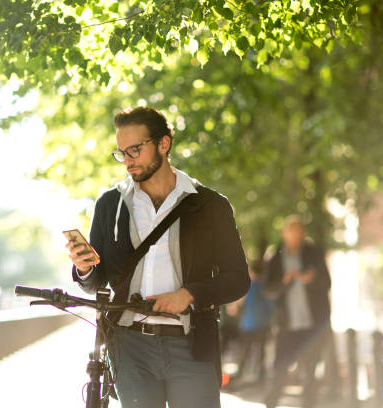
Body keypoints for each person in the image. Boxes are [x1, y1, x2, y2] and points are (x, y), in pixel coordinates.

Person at [66, 106, 250, 408]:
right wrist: (84, 269)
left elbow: (238, 280)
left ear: (163, 144)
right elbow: (96, 284)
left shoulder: (210, 206)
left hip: (192, 345)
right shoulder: (110, 205)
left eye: (135, 150)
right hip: (129, 347)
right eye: (121, 153)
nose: (127, 161)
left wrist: (189, 294)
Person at [263, 215, 331, 408]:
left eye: (299, 233)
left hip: (312, 325)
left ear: (303, 234)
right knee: (279, 371)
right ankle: (271, 404)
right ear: (284, 234)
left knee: (310, 373)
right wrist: (284, 283)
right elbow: (268, 291)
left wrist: (312, 280)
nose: (295, 237)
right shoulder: (275, 258)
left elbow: (327, 283)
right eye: (291, 233)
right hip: (287, 325)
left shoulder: (315, 254)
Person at [233, 268, 274, 384]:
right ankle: (260, 376)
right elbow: (270, 306)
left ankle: (242, 374)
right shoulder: (264, 286)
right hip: (262, 324)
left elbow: (238, 304)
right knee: (261, 352)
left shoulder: (248, 287)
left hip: (249, 324)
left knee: (245, 351)